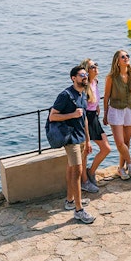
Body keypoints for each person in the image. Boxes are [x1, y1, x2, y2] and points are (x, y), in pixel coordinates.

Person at [48, 66, 95, 223]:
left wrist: (88, 140)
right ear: (73, 78)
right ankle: (79, 209)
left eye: (86, 75)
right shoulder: (65, 95)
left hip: (81, 137)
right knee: (77, 171)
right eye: (82, 75)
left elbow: (85, 119)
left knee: (72, 169)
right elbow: (52, 117)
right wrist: (72, 115)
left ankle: (70, 201)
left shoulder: (82, 94)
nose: (85, 77)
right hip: (71, 139)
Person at [102, 49, 131, 179]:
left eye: (127, 56)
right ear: (117, 61)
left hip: (130, 108)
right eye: (123, 57)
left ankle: (121, 168)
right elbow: (106, 97)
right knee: (119, 142)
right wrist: (105, 114)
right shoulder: (111, 77)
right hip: (116, 110)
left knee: (127, 141)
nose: (126, 58)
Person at [79, 58, 111, 192]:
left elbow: (95, 100)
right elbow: (83, 107)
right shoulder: (84, 88)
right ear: (87, 71)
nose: (96, 67)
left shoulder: (95, 82)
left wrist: (97, 107)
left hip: (94, 118)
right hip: (85, 119)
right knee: (85, 151)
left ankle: (91, 172)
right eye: (92, 66)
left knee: (106, 148)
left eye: (96, 65)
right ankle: (84, 181)